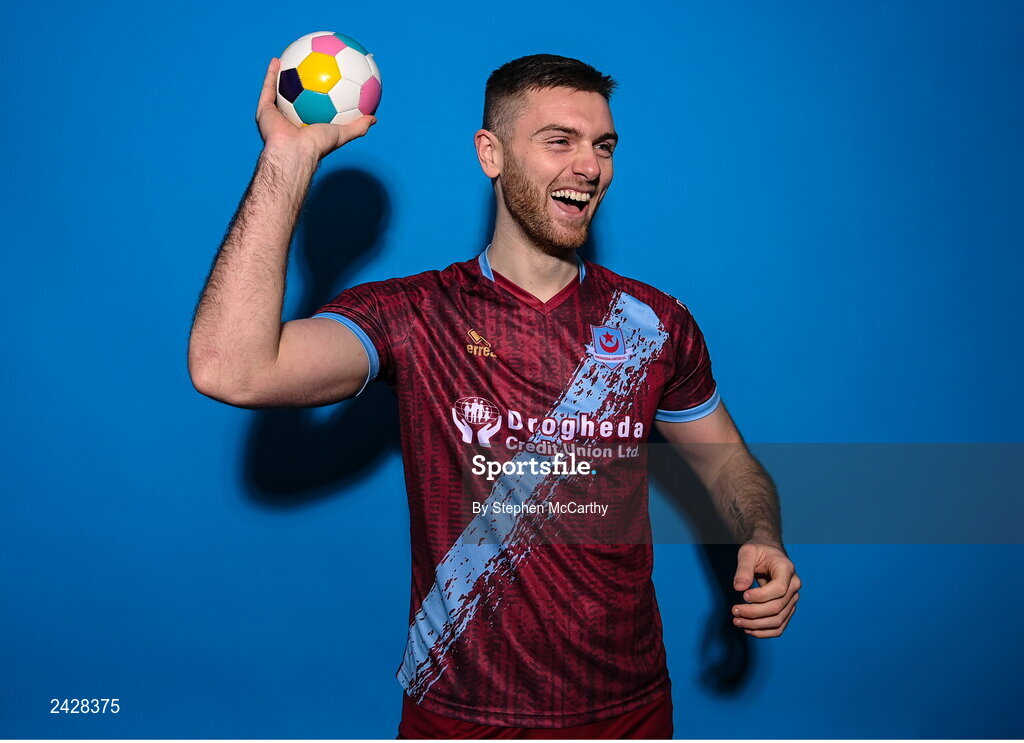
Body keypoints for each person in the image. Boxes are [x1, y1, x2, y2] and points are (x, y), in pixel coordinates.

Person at [188, 53, 801, 739]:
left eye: (603, 146)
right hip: (457, 716)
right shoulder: (415, 315)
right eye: (559, 140)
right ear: (491, 154)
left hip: (626, 713)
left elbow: (725, 462)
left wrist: (762, 533)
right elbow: (229, 368)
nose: (589, 167)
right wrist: (289, 155)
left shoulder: (652, 323)